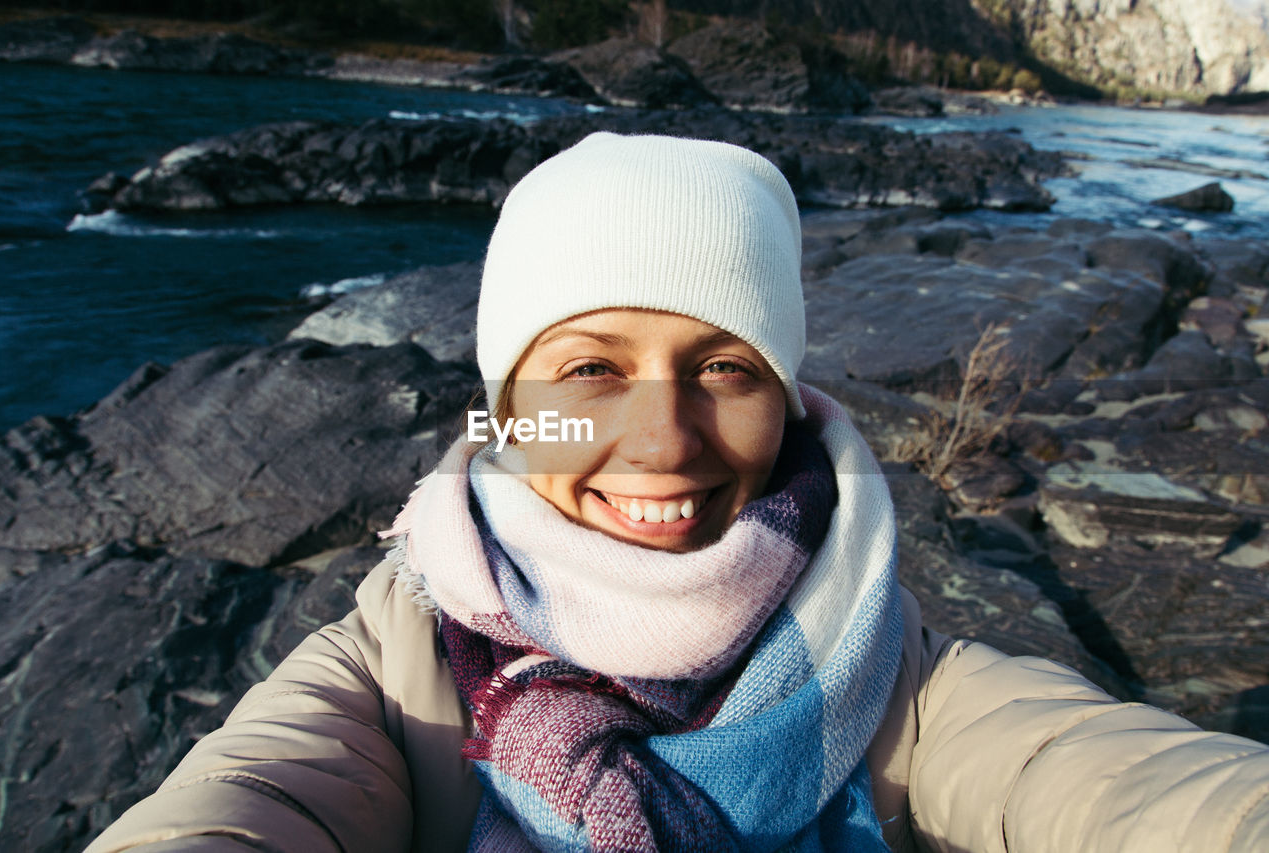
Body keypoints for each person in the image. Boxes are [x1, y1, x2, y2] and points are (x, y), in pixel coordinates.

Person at [89, 133, 1268, 853]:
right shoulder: (393, 667)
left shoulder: (891, 668)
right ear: (508, 406)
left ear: (788, 395)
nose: (660, 438)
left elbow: (1098, 780)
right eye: (590, 368)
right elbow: (254, 800)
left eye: (723, 368)